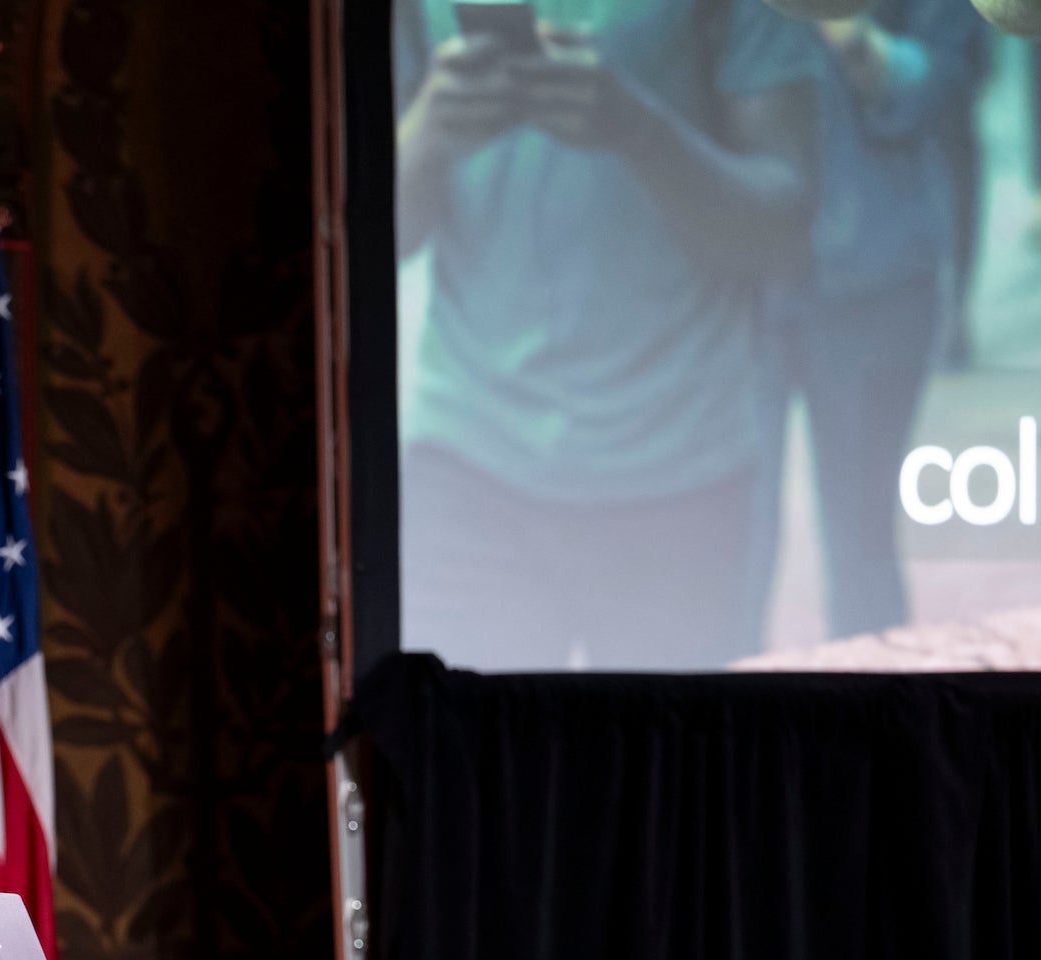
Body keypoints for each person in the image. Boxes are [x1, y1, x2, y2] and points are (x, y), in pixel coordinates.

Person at [394, 0, 821, 669]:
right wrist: (429, 128)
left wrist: (639, 129)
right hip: (467, 457)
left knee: (666, 774)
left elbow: (783, 237)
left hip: (677, 470)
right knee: (463, 771)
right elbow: (371, 239)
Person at [750, 0, 987, 642]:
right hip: (735, 288)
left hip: (879, 277)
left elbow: (933, 84)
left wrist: (849, 32)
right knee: (730, 556)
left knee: (862, 545)